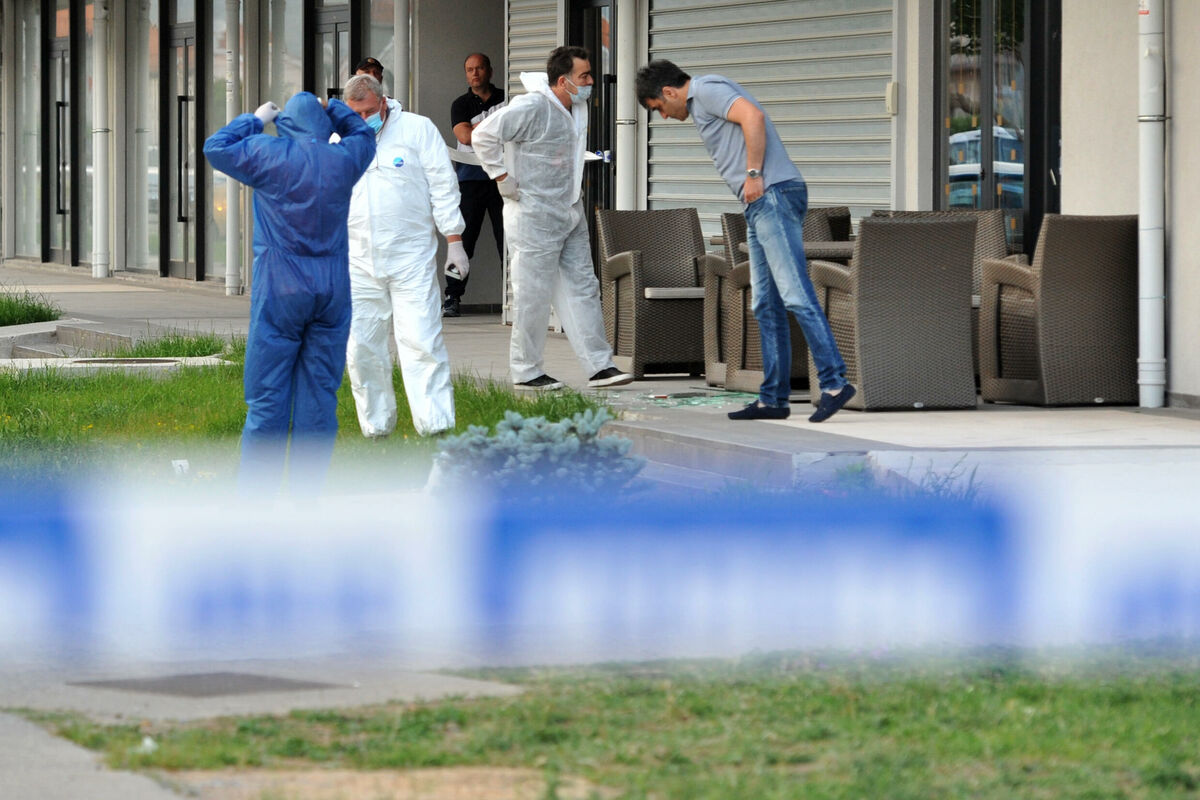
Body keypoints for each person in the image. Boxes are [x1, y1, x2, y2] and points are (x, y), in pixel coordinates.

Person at [635, 60, 856, 422]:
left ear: (669, 92)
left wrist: (753, 175)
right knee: (765, 303)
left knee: (795, 293)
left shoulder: (705, 91)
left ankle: (834, 384)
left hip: (772, 196)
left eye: (658, 107)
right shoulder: (703, 97)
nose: (663, 115)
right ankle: (773, 399)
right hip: (759, 204)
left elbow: (752, 116)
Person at [203, 92, 375, 491]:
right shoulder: (342, 160)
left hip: (280, 288)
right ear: (323, 125)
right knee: (320, 394)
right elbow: (364, 136)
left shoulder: (269, 154)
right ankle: (305, 498)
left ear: (286, 124)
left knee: (267, 395)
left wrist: (254, 119)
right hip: (332, 290)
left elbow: (216, 147)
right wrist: (336, 110)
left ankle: (257, 498)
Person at [471, 46, 632, 391]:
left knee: (584, 288)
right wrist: (501, 177)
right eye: (584, 76)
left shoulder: (576, 107)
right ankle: (526, 371)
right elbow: (482, 135)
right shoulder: (532, 106)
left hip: (569, 208)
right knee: (533, 295)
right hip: (532, 213)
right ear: (562, 81)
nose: (590, 82)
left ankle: (600, 365)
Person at [341, 73, 465, 437]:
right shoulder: (340, 136)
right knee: (361, 348)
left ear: (384, 102)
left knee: (422, 342)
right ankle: (376, 427)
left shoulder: (417, 130)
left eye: (368, 112)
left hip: (411, 258)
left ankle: (436, 426)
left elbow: (443, 185)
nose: (362, 120)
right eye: (355, 114)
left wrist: (454, 240)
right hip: (356, 258)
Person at [443, 52, 506, 318]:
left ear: (490, 71)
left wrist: (478, 126)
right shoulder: (461, 104)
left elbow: (515, 131)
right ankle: (452, 296)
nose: (475, 73)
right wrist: (496, 126)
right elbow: (465, 137)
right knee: (463, 240)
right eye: (470, 69)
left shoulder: (506, 97)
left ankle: (514, 298)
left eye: (479, 68)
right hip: (470, 178)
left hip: (503, 177)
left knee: (507, 240)